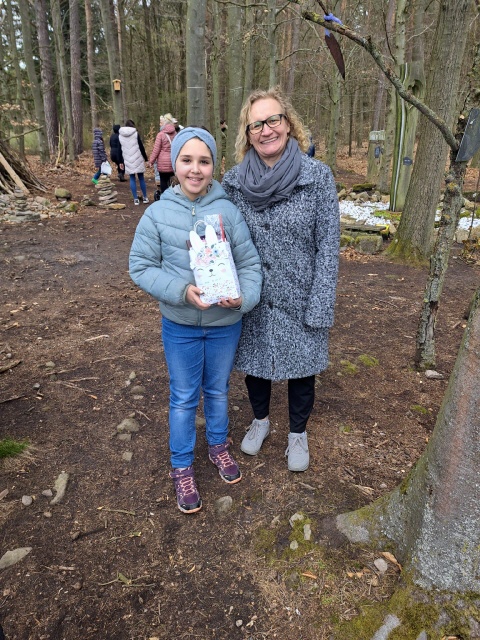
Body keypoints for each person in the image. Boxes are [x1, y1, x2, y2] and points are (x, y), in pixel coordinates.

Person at [129, 127, 262, 514]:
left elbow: (250, 265)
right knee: (184, 397)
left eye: (204, 161)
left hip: (224, 324)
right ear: (175, 164)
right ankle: (182, 466)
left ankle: (218, 446)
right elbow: (140, 266)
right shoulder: (157, 214)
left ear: (213, 166)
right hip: (180, 326)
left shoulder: (228, 213)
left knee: (218, 390)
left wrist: (243, 298)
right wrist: (181, 291)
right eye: (187, 160)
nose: (195, 169)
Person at [222, 87, 340, 473]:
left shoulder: (317, 177)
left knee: (302, 369)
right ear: (247, 134)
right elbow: (220, 238)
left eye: (273, 119)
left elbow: (328, 247)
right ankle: (260, 421)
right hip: (254, 296)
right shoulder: (233, 183)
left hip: (301, 294)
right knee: (255, 365)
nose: (266, 129)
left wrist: (320, 304)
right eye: (256, 124)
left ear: (288, 125)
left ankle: (297, 434)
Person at [119, 119, 149, 205]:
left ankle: (135, 199)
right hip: (137, 157)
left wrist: (121, 161)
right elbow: (141, 146)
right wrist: (146, 159)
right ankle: (145, 197)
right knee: (141, 178)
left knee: (132, 178)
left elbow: (119, 149)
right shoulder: (135, 134)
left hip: (127, 159)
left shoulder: (120, 135)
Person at [149, 115, 177, 195]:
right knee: (172, 182)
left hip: (162, 163)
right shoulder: (176, 134)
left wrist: (151, 161)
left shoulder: (160, 135)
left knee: (163, 182)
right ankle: (173, 197)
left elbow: (156, 150)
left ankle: (164, 198)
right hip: (173, 162)